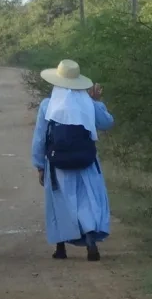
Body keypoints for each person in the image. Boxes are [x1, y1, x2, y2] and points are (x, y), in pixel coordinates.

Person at [30, 59, 115, 262]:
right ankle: (90, 238)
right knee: (86, 199)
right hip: (86, 161)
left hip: (56, 163)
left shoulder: (47, 105)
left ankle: (61, 248)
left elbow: (40, 137)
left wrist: (39, 165)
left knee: (60, 201)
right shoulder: (87, 104)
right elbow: (108, 123)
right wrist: (95, 101)